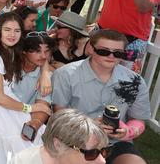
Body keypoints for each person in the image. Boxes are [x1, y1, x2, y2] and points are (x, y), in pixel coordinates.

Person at [52, 29, 151, 164]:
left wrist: (127, 131)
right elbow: (59, 115)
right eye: (104, 51)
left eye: (118, 53)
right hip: (75, 141)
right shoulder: (65, 75)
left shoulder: (135, 81)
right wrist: (88, 126)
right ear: (91, 49)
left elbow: (138, 120)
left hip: (115, 143)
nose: (111, 56)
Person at [0, 13, 50, 164]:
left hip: (0, 107)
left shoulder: (8, 50)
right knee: (18, 148)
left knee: (28, 144)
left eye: (17, 31)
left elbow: (42, 51)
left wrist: (45, 72)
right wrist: (30, 108)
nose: (12, 35)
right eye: (7, 30)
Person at [85, 0, 160, 72]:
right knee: (91, 68)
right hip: (104, 33)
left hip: (133, 40)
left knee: (125, 76)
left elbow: (143, 8)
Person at [9, 108, 109, 164]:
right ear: (58, 145)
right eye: (92, 153)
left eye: (103, 152)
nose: (102, 161)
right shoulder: (23, 161)